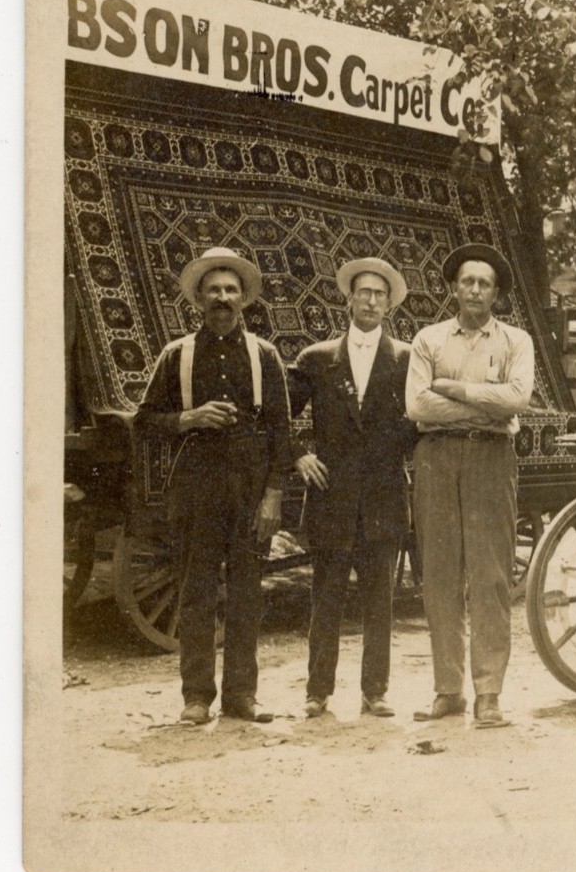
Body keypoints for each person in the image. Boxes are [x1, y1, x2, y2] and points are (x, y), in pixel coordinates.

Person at [133, 247, 291, 724]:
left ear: (244, 299)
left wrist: (273, 495)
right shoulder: (177, 355)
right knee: (197, 591)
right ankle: (196, 697)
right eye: (214, 290)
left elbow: (282, 433)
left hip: (250, 488)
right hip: (196, 487)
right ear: (199, 298)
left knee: (247, 592)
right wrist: (188, 417)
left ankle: (242, 696)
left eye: (231, 290)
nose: (223, 298)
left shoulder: (264, 355)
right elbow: (142, 423)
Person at [405, 243, 535, 728]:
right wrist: (487, 404)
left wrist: (457, 390)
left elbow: (518, 397)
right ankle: (448, 689)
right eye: (467, 281)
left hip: (490, 459)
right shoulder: (428, 340)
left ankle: (489, 694)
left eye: (484, 283)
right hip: (436, 459)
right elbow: (418, 407)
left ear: (496, 292)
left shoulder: (516, 341)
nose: (475, 290)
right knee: (438, 574)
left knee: (491, 576)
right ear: (452, 288)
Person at [288, 257, 416, 720]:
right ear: (348, 299)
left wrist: (401, 451)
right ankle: (317, 691)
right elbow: (278, 415)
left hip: (382, 499)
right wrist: (299, 453)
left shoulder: (405, 359)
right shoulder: (317, 359)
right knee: (327, 596)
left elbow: (420, 419)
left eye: (380, 295)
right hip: (332, 500)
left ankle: (375, 691)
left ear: (389, 305)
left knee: (381, 600)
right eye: (363, 292)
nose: (371, 301)